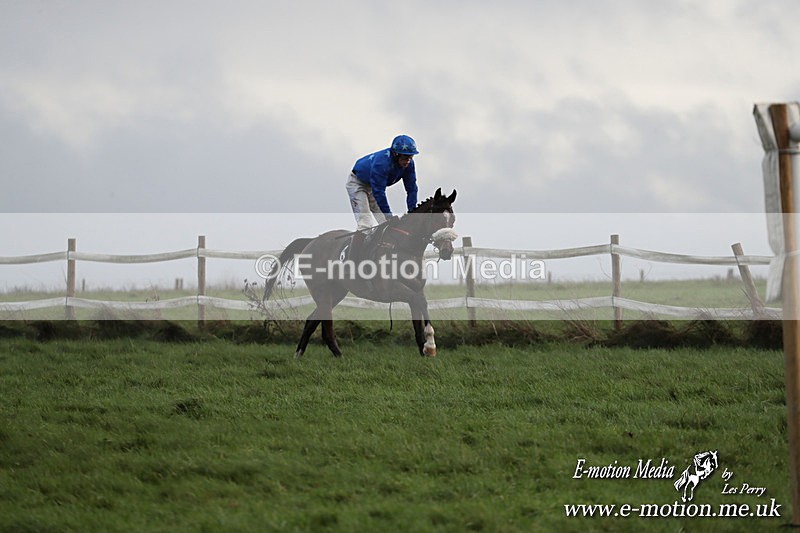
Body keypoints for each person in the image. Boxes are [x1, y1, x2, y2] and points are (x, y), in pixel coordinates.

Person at [346, 135, 419, 232]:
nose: (408, 161)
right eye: (405, 157)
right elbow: (379, 192)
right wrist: (389, 216)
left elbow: (412, 190)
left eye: (411, 156)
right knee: (366, 225)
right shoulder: (382, 163)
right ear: (396, 154)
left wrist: (412, 213)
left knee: (389, 225)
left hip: (373, 186)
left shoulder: (409, 165)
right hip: (358, 183)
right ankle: (355, 247)